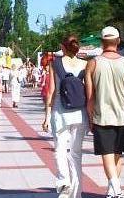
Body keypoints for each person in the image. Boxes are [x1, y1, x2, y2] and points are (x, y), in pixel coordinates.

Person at [85, 26, 124, 198]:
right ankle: (114, 189)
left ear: (102, 42)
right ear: (118, 41)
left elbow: (90, 96)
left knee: (107, 153)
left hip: (102, 114)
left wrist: (90, 117)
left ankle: (115, 189)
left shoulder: (93, 63)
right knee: (117, 154)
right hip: (122, 114)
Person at [42, 34, 88, 198]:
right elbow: (89, 91)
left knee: (60, 149)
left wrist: (47, 115)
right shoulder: (85, 64)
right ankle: (77, 192)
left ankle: (63, 181)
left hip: (60, 111)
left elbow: (52, 91)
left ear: (63, 47)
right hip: (80, 112)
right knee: (76, 153)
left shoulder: (56, 64)